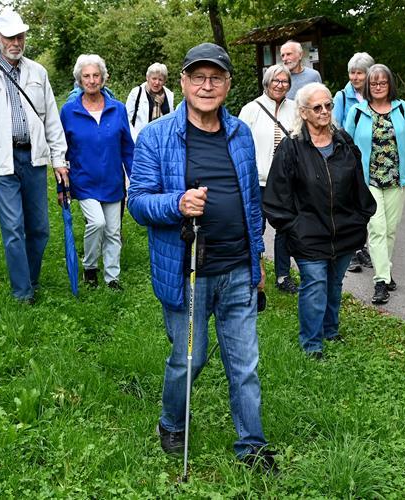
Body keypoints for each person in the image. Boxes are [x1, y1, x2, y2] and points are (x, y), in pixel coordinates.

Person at [127, 43, 276, 471]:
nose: (206, 86)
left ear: (228, 84)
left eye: (216, 78)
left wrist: (257, 258)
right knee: (189, 357)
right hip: (187, 270)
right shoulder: (156, 136)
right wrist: (177, 203)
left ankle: (252, 445)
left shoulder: (240, 133)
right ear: (183, 83)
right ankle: (172, 421)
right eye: (198, 78)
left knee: (245, 364)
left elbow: (251, 204)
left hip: (237, 268)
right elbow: (137, 202)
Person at [0, 11, 68, 304]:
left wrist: (59, 159)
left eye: (20, 37)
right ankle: (23, 294)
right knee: (13, 229)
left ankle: (31, 280)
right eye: (10, 37)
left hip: (34, 158)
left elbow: (51, 120)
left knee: (40, 229)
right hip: (1, 162)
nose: (16, 43)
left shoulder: (38, 72)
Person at [264, 83, 376, 358]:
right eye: (317, 107)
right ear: (303, 112)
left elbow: (358, 185)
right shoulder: (291, 148)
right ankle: (312, 344)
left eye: (328, 105)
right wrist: (294, 228)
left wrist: (361, 218)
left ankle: (330, 330)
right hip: (308, 235)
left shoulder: (344, 142)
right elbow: (277, 197)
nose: (324, 111)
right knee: (315, 285)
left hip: (345, 232)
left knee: (334, 284)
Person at [345, 64, 405, 305]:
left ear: (390, 85)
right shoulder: (357, 112)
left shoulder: (402, 109)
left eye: (383, 83)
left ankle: (385, 271)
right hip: (367, 181)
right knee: (377, 228)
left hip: (396, 180)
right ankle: (380, 282)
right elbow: (346, 148)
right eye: (374, 83)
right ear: (367, 86)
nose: (378, 87)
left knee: (390, 230)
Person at [60, 54, 134, 290]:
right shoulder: (69, 111)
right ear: (79, 80)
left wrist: (136, 180)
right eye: (86, 76)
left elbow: (127, 148)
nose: (91, 80)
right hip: (84, 181)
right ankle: (90, 267)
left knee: (113, 232)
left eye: (96, 75)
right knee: (97, 223)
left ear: (103, 78)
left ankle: (112, 278)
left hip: (113, 181)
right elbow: (60, 150)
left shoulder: (118, 109)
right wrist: (61, 185)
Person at [237, 64, 299, 294]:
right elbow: (240, 146)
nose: (280, 85)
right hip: (258, 182)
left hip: (286, 182)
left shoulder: (296, 108)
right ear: (267, 82)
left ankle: (283, 276)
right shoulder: (251, 109)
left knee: (285, 229)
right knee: (255, 228)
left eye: (284, 81)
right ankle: (253, 272)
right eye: (276, 80)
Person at [333, 52, 376, 274]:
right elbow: (334, 126)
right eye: (352, 72)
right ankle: (348, 252)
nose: (355, 77)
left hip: (371, 160)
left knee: (365, 205)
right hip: (348, 158)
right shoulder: (342, 97)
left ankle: (361, 247)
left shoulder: (376, 95)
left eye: (360, 73)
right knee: (348, 207)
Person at [125, 63, 175, 141]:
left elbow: (171, 121)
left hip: (163, 141)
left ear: (164, 81)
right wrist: (136, 139)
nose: (157, 82)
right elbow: (127, 119)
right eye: (154, 78)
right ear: (147, 78)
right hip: (141, 140)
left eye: (160, 79)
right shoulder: (136, 93)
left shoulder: (169, 95)